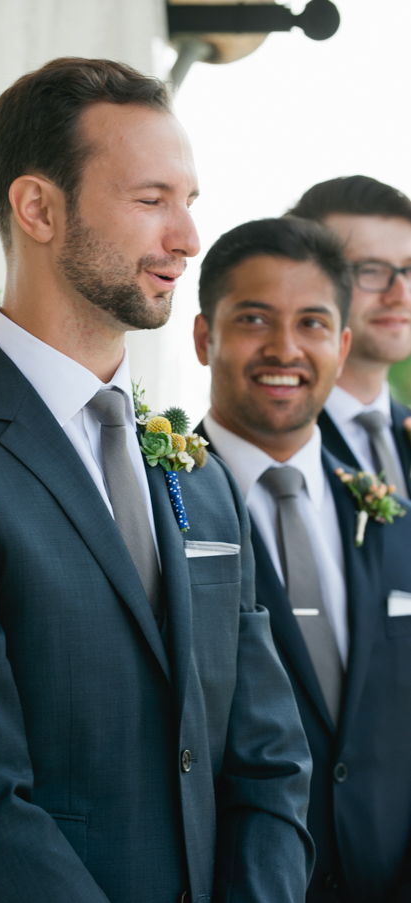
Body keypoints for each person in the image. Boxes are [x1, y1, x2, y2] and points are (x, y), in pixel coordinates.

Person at [0, 59, 313, 903]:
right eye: (150, 199)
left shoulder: (193, 472)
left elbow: (266, 756)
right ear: (38, 207)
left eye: (188, 202)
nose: (187, 238)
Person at [193, 216, 411, 903]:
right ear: (204, 337)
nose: (284, 348)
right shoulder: (154, 506)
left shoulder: (389, 507)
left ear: (342, 346)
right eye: (254, 319)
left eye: (312, 323)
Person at [288, 176, 411, 498]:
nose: (402, 294)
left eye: (410, 270)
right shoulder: (269, 439)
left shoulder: (406, 428)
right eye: (370, 269)